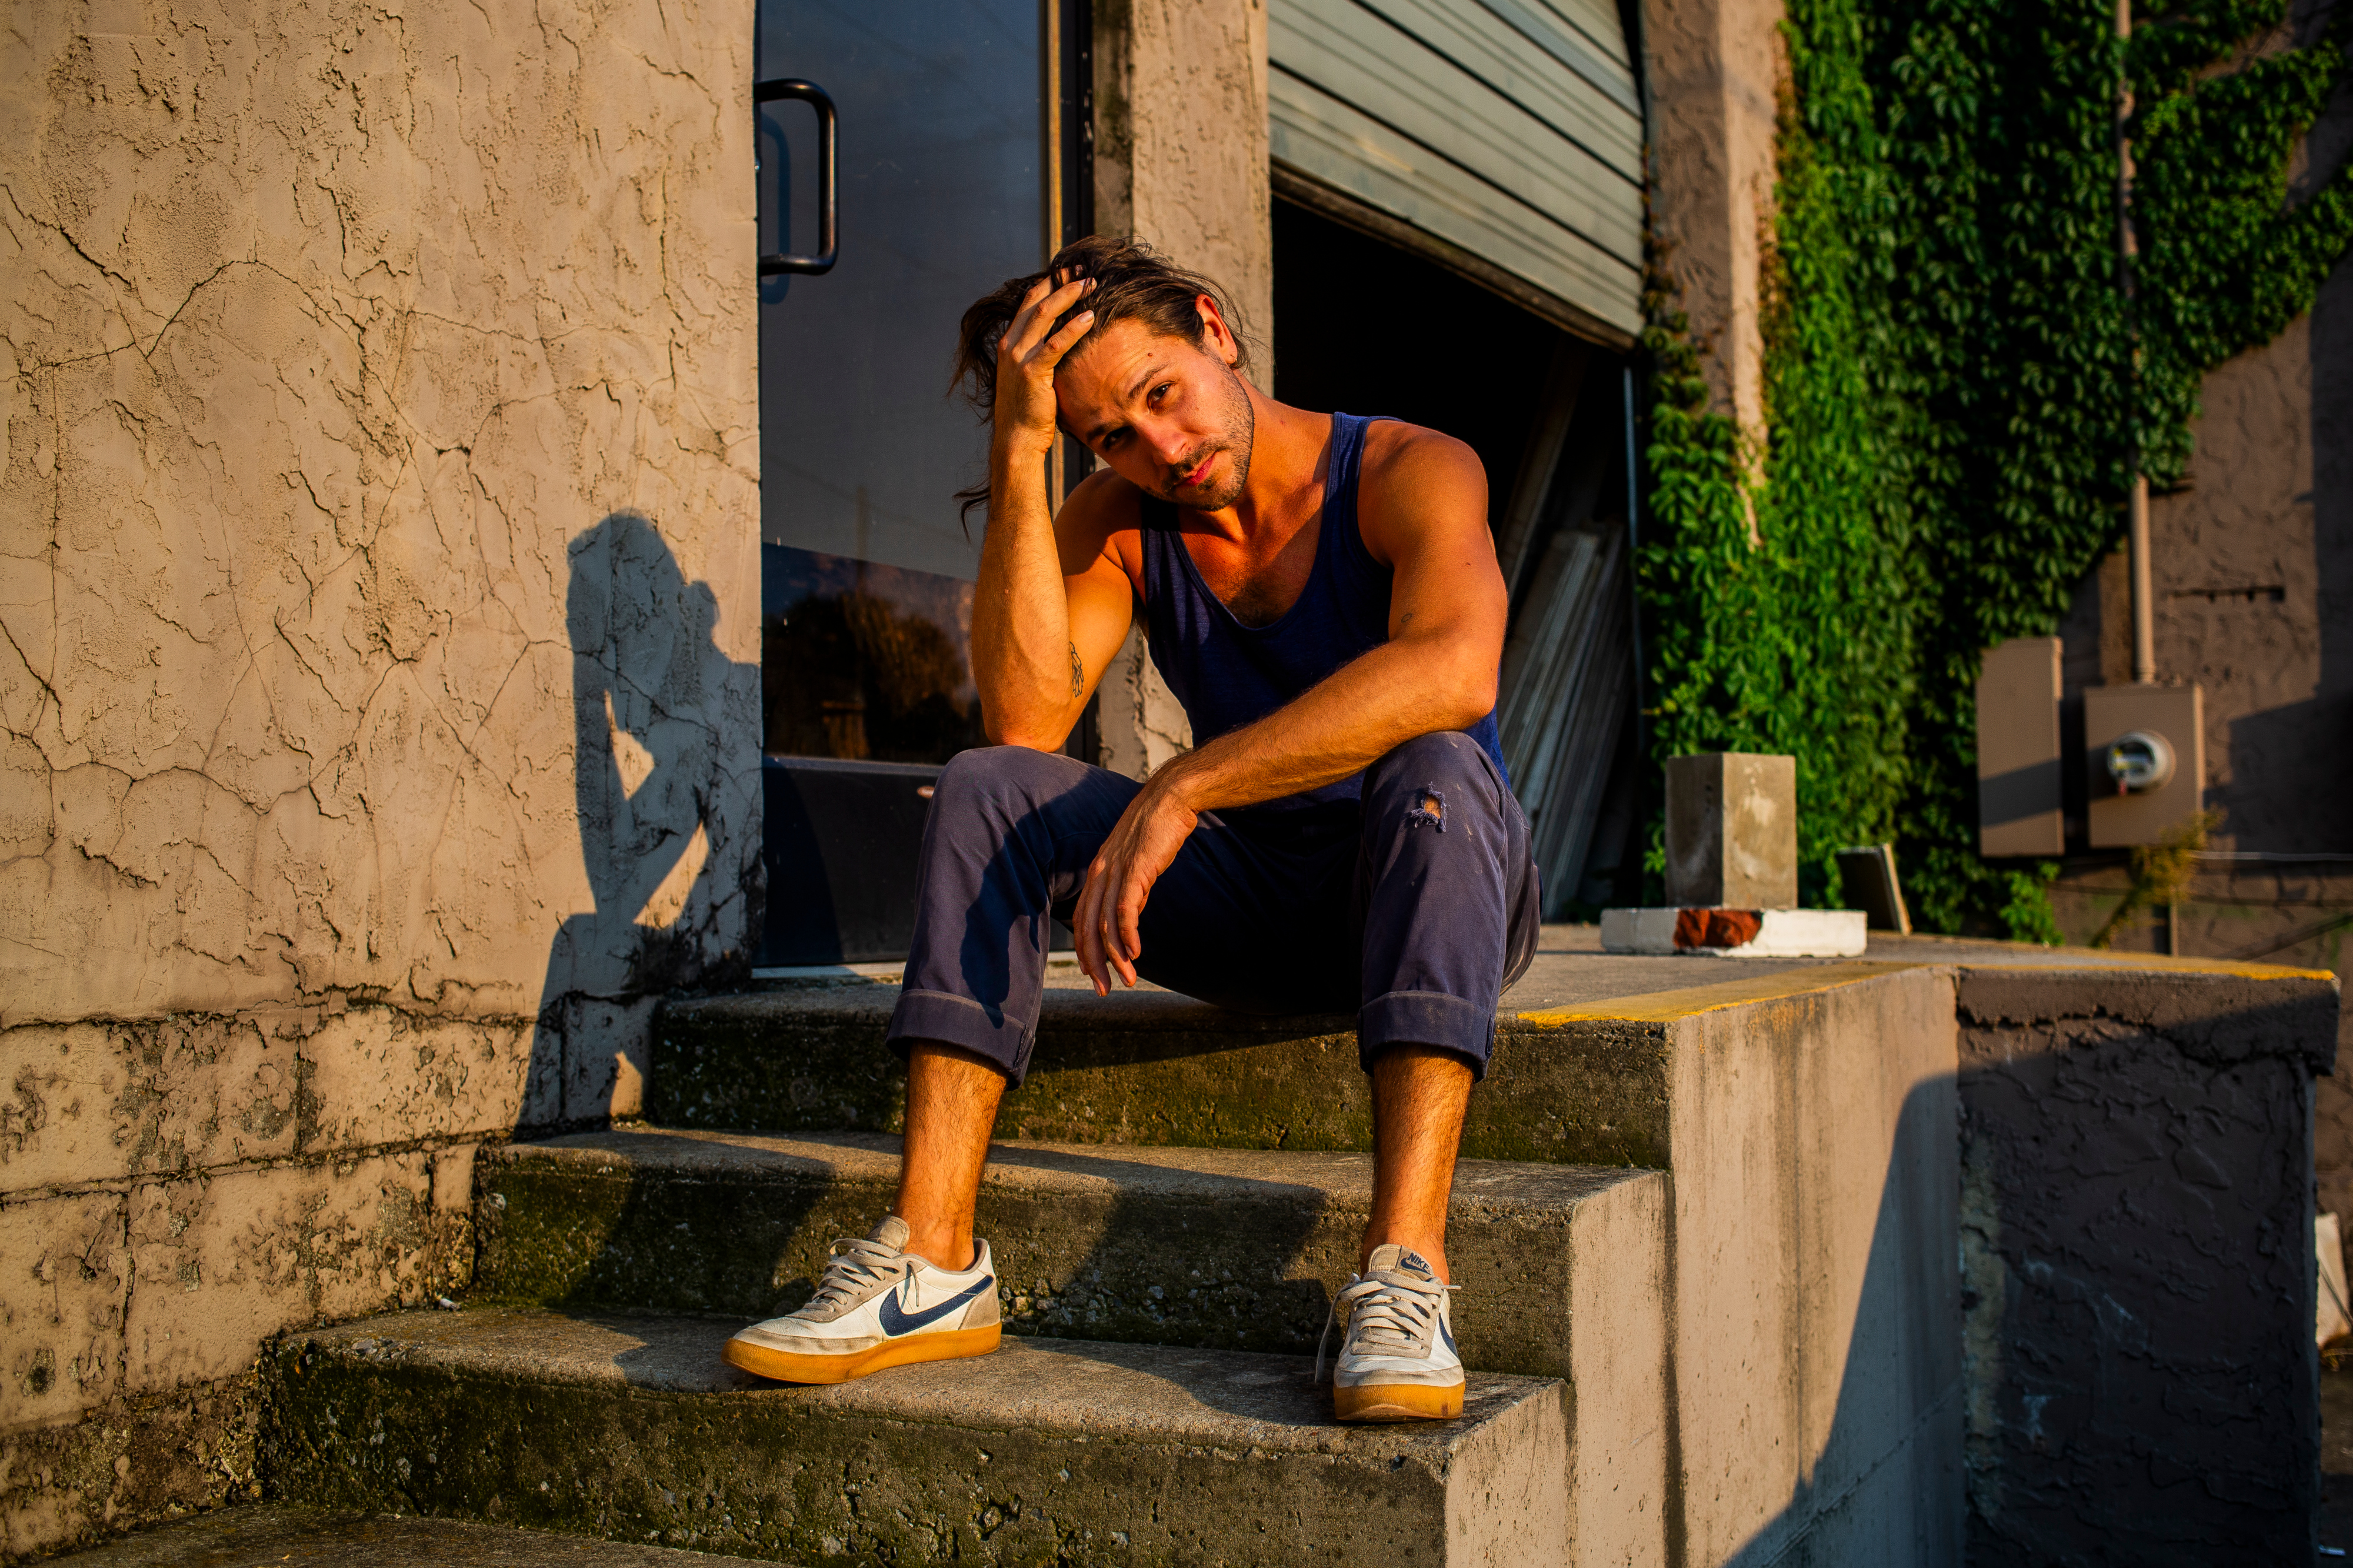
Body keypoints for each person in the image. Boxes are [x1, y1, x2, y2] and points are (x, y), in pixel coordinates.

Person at [723, 236, 1537, 1422]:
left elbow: (1454, 670)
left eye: (1162, 393)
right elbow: (1025, 719)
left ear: (1214, 328)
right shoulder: (1122, 518)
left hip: (1430, 887)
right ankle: (935, 1259)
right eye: (1111, 435)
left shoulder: (1408, 468)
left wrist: (1186, 783)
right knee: (986, 784)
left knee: (1435, 763)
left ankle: (1404, 1275)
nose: (1162, 448)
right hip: (1262, 906)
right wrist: (1021, 454)